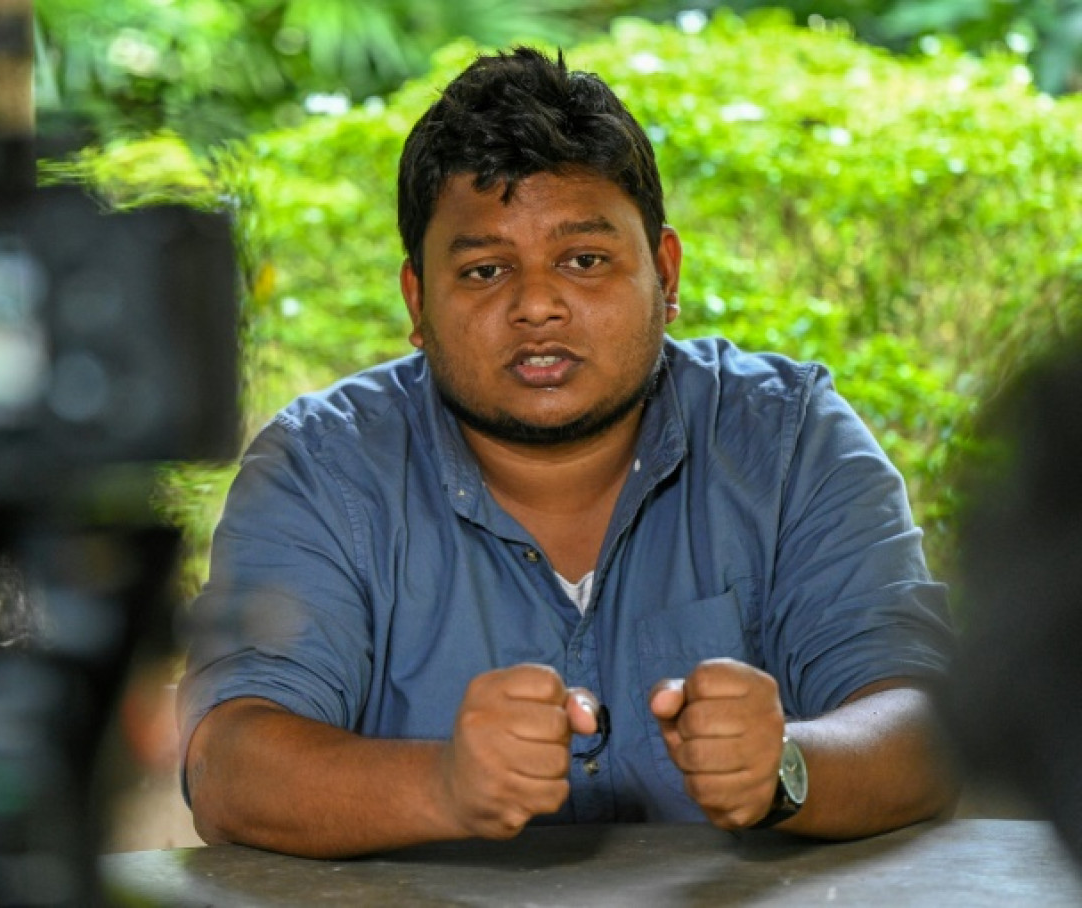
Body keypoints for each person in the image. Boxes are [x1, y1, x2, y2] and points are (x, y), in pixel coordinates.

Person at [176, 47, 957, 858]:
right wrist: (445, 784)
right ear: (417, 300)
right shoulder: (320, 469)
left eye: (584, 261)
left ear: (665, 270)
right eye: (484, 270)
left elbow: (925, 723)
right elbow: (228, 762)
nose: (538, 305)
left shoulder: (791, 441)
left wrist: (786, 767)